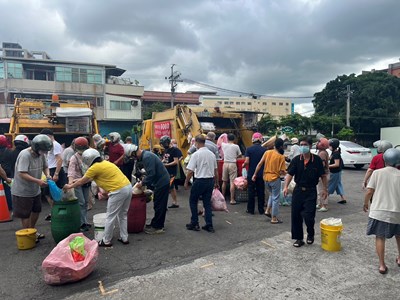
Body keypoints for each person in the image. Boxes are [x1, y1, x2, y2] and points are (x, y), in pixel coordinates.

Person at [63, 148, 132, 247]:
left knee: (110, 216)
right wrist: (76, 181)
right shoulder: (106, 163)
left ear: (87, 159)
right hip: (127, 187)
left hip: (118, 191)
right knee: (123, 214)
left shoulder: (94, 167)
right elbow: (88, 178)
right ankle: (124, 237)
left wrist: (70, 186)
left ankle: (106, 240)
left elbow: (83, 181)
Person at [283, 136, 327, 247]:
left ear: (310, 146)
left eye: (305, 145)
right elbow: (289, 174)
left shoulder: (316, 160)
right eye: (301, 145)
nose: (303, 147)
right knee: (296, 215)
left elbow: (323, 175)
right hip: (298, 191)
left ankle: (310, 234)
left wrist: (325, 189)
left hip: (311, 191)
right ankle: (298, 238)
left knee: (309, 215)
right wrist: (285, 187)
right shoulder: (297, 160)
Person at [363, 148, 400, 275]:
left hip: (379, 211)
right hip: (397, 211)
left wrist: (365, 203)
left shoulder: (377, 173)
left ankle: (382, 265)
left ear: (385, 160)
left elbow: (369, 191)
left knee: (380, 237)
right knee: (399, 236)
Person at [11, 134, 52, 241]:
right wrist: (38, 181)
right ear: (36, 148)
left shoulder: (41, 154)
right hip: (22, 191)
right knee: (25, 214)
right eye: (43, 151)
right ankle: (28, 235)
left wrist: (48, 175)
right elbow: (22, 173)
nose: (44, 153)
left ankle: (32, 230)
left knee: (36, 210)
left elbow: (46, 167)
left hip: (35, 190)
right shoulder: (25, 155)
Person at [127, 144, 170, 234]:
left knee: (159, 204)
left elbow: (151, 174)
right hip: (160, 181)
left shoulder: (147, 157)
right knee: (157, 203)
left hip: (162, 182)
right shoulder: (146, 156)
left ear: (134, 153)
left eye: (133, 156)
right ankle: (155, 223)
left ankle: (158, 227)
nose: (134, 158)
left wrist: (142, 183)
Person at [184, 135, 218, 233]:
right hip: (210, 181)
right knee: (207, 203)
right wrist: (216, 182)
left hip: (200, 181)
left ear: (197, 143)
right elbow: (216, 171)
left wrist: (186, 182)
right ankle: (209, 225)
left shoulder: (196, 154)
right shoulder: (211, 154)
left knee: (193, 201)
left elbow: (190, 171)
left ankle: (194, 223)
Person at [253, 138, 286, 224]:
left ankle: (267, 210)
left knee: (272, 195)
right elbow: (282, 171)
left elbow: (260, 164)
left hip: (266, 177)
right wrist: (288, 172)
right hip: (275, 178)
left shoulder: (267, 153)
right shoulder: (281, 157)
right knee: (276, 198)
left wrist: (255, 174)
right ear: (281, 146)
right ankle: (274, 218)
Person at [40, 129, 67, 221]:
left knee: (54, 194)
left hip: (55, 170)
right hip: (52, 170)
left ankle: (57, 213)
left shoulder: (55, 145)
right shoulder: (51, 145)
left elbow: (59, 159)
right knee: (49, 194)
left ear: (49, 136)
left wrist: (56, 174)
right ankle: (55, 212)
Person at [67, 137, 91, 232]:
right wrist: (70, 184)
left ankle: (84, 221)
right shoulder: (74, 158)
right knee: (81, 203)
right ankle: (81, 223)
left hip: (86, 181)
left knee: (85, 202)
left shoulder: (88, 156)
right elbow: (71, 172)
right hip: (77, 183)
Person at [242, 132, 266, 215]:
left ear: (253, 140)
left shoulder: (249, 149)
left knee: (251, 192)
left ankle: (250, 209)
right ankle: (261, 209)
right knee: (260, 191)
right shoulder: (264, 150)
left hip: (251, 173)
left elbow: (247, 161)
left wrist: (243, 165)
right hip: (261, 174)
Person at [160, 136, 180, 208]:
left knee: (170, 187)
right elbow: (165, 158)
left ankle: (175, 202)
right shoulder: (166, 150)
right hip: (166, 171)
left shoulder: (174, 150)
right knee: (171, 187)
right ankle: (174, 202)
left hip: (171, 171)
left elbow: (176, 161)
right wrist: (161, 163)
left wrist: (167, 165)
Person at [221, 133, 242, 205]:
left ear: (227, 139)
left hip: (225, 163)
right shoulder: (236, 146)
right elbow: (240, 155)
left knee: (224, 181)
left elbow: (220, 140)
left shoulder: (223, 145)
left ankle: (223, 197)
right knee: (232, 182)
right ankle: (232, 199)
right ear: (234, 139)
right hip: (232, 164)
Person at [328, 138, 346, 204]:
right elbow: (329, 158)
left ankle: (325, 198)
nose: (329, 147)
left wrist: (327, 166)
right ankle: (343, 198)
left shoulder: (336, 154)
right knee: (338, 184)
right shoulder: (334, 152)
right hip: (337, 171)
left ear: (333, 146)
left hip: (335, 172)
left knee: (330, 185)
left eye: (329, 145)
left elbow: (336, 164)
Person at [316, 138, 330, 212]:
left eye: (318, 142)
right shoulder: (322, 152)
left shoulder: (322, 153)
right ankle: (320, 204)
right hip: (323, 174)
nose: (317, 144)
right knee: (320, 189)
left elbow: (322, 164)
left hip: (323, 174)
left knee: (323, 190)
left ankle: (324, 205)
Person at [0, 135, 13, 211]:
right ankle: (9, 206)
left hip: (1, 172)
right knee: (7, 190)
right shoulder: (9, 151)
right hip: (8, 172)